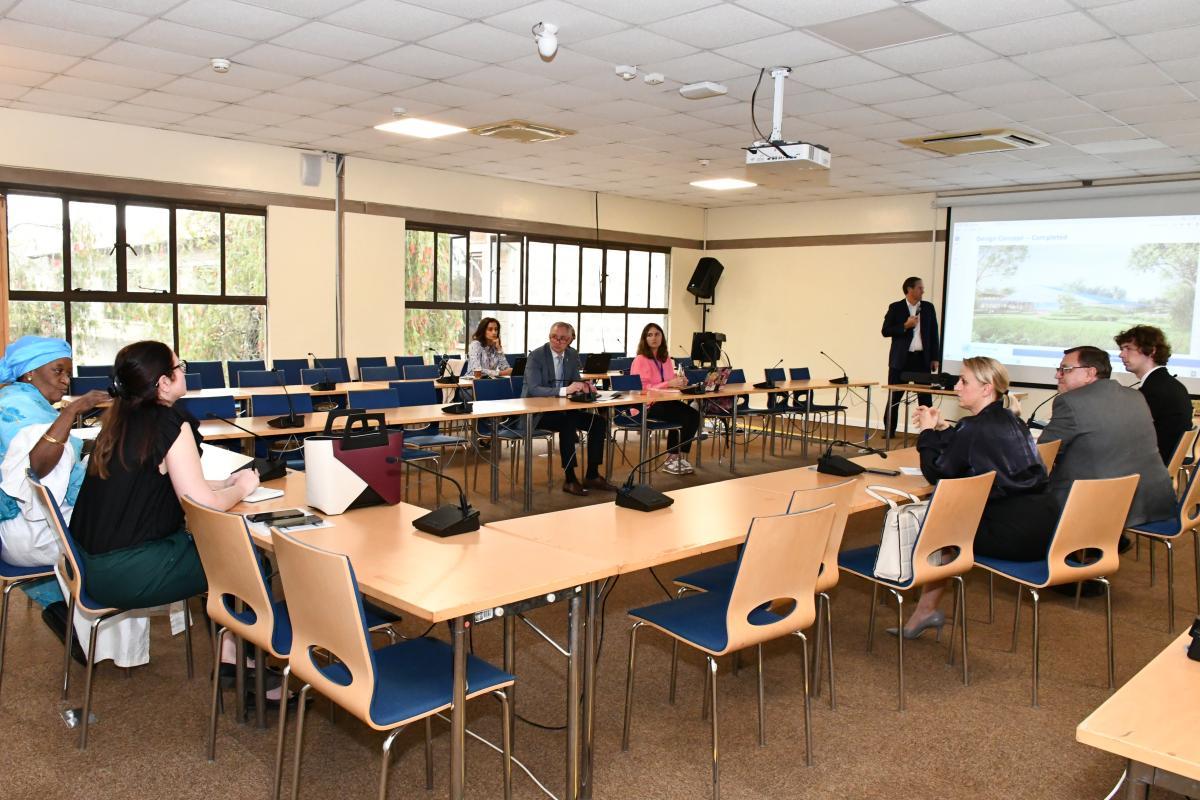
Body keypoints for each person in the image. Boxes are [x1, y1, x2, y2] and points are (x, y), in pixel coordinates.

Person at [71, 340, 260, 610]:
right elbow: (202, 504)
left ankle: (229, 647)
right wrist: (243, 488)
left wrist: (224, 483)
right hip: (125, 571)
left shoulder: (121, 419)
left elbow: (150, 482)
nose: (184, 371)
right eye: (179, 366)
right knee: (249, 561)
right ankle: (233, 651)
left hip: (87, 563)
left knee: (215, 547)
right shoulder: (168, 422)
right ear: (164, 382)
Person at [898, 357, 1058, 638]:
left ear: (987, 389)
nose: (956, 387)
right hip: (1047, 527)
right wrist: (944, 429)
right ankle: (924, 611)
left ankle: (924, 610)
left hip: (1015, 536)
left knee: (941, 533)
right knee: (952, 523)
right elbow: (969, 448)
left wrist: (925, 432)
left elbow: (937, 473)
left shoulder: (973, 426)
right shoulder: (1011, 419)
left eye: (963, 381)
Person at [1041, 345, 1176, 529]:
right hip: (1151, 500)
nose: (1058, 375)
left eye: (1066, 369)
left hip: (1102, 506)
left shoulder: (1069, 402)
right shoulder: (1135, 396)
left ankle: (1078, 547)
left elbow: (1043, 454)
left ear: (1090, 373)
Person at [522, 322, 617, 496]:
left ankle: (592, 475)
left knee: (598, 422)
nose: (557, 341)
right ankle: (570, 479)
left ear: (570, 340)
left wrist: (584, 386)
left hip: (565, 409)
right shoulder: (536, 356)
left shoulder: (572, 354)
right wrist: (566, 390)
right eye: (553, 337)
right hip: (537, 412)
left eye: (563, 339)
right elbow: (534, 389)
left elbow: (575, 379)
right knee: (568, 424)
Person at [628, 322, 701, 475]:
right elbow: (641, 388)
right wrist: (669, 383)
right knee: (683, 415)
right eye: (650, 335)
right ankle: (671, 459)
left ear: (662, 337)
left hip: (665, 401)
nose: (654, 338)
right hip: (646, 405)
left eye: (657, 334)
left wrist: (680, 381)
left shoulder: (666, 359)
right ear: (644, 339)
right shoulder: (640, 360)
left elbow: (669, 379)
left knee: (693, 415)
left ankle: (676, 456)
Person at [1115, 325, 1193, 465]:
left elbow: (1128, 433)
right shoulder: (1168, 384)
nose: (1121, 354)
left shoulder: (1155, 390)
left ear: (1151, 351)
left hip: (1149, 467)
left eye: (1128, 348)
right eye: (1122, 349)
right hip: (1160, 464)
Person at [882, 276, 940, 438]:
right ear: (910, 289)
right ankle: (889, 430)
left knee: (925, 398)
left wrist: (935, 357)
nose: (923, 291)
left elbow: (934, 334)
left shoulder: (928, 307)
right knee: (895, 395)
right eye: (920, 288)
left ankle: (928, 431)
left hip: (922, 359)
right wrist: (905, 326)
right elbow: (885, 331)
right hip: (901, 359)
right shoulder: (896, 307)